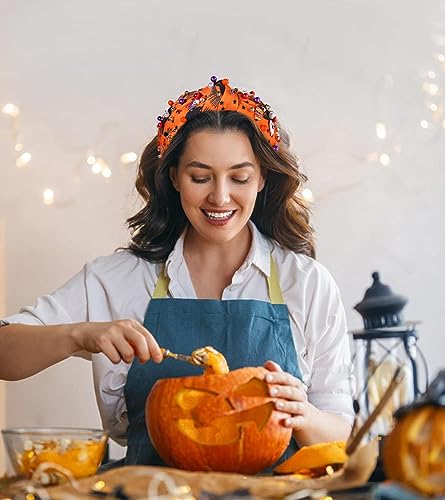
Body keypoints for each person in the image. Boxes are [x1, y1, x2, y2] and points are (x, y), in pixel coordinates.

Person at [0, 76, 355, 467]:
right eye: (200, 177)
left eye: (239, 177)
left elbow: (343, 432)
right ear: (173, 177)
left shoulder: (306, 283)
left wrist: (304, 415)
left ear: (263, 178)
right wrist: (79, 334)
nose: (220, 196)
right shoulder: (116, 280)